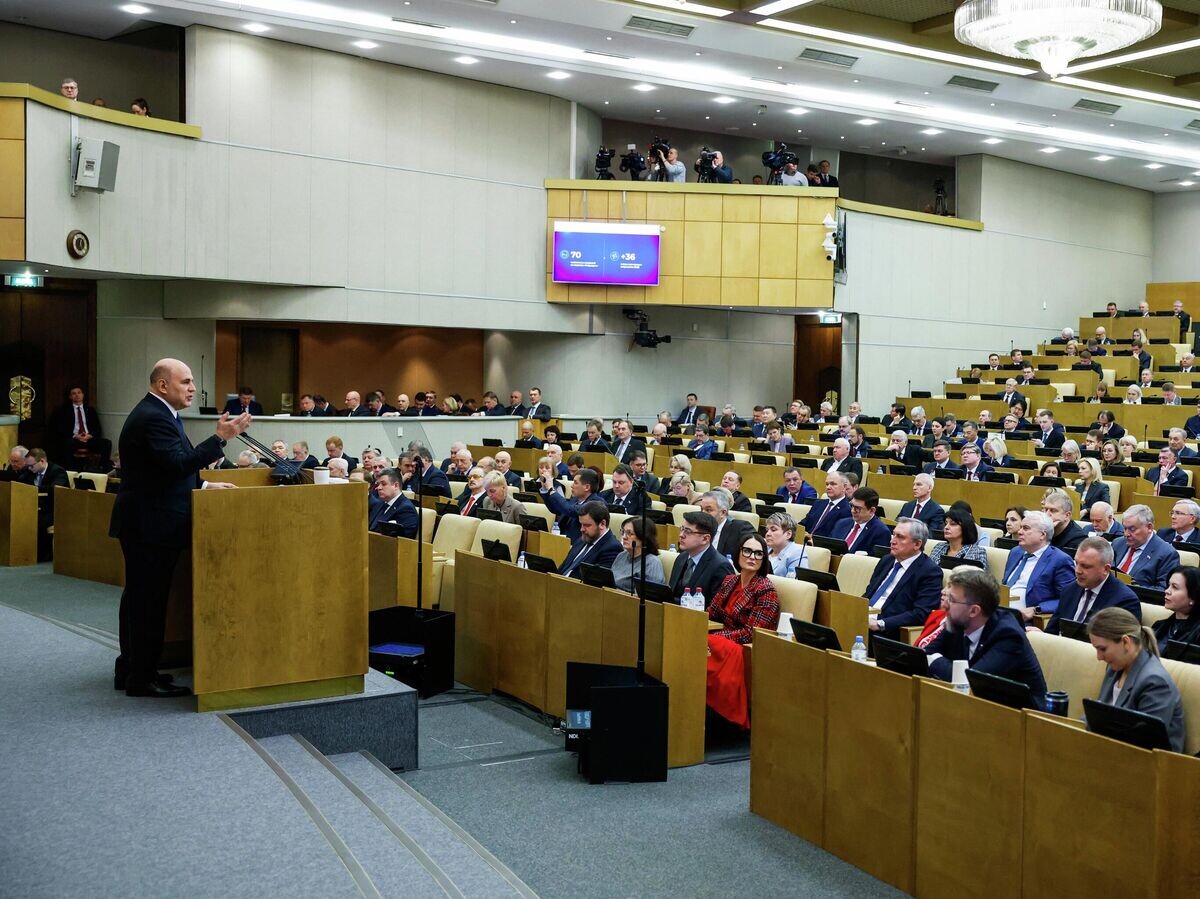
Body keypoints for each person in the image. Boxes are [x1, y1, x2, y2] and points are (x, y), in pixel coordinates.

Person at [110, 359, 249, 697]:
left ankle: (133, 668)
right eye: (186, 381)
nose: (192, 388)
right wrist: (219, 439)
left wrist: (203, 487)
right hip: (151, 524)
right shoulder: (153, 418)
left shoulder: (159, 414)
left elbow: (162, 473)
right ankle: (141, 678)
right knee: (148, 602)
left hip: (149, 519)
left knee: (140, 599)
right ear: (162, 385)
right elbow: (175, 465)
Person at [922, 567, 1047, 708]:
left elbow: (970, 681)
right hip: (979, 705)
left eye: (951, 600)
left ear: (974, 610)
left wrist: (935, 660)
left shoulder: (1008, 636)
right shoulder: (957, 621)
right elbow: (925, 653)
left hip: (1023, 718)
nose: (944, 604)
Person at [1088, 608, 1186, 753]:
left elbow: (1145, 745)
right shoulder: (1114, 669)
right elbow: (1099, 718)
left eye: (1102, 649)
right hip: (1114, 754)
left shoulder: (1155, 682)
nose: (1099, 657)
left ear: (1126, 642)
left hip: (1152, 768)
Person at [864, 518, 943, 639]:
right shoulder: (886, 560)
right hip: (863, 619)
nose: (892, 541)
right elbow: (869, 593)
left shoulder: (930, 572)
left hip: (887, 631)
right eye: (893, 534)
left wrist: (880, 624)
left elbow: (920, 613)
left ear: (917, 544)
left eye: (900, 537)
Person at [707, 531, 780, 644]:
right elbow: (711, 613)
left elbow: (751, 634)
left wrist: (714, 637)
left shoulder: (766, 590)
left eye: (758, 553)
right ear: (738, 553)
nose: (752, 557)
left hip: (741, 647)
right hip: (718, 639)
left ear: (764, 558)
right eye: (747, 551)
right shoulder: (730, 581)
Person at [1003, 511, 1075, 621]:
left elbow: (1068, 600)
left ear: (1042, 534)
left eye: (1026, 528)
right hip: (1001, 611)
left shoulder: (1060, 560)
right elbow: (1006, 585)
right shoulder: (1015, 552)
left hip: (1025, 620)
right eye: (1021, 527)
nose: (1020, 531)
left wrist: (1036, 609)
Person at [669, 510, 735, 604]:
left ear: (705, 539)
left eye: (688, 531)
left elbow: (715, 609)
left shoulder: (721, 567)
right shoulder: (681, 558)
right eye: (682, 529)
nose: (681, 535)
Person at [1111, 504, 1177, 589]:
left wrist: (1135, 588)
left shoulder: (1167, 554)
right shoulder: (1118, 543)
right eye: (1125, 528)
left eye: (1132, 529)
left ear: (1149, 527)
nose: (1126, 534)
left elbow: (1163, 589)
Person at [557, 501, 621, 578]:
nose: (582, 529)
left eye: (587, 525)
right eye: (581, 524)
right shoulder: (582, 539)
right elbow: (563, 568)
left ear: (602, 524)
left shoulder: (612, 548)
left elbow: (595, 583)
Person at [48, 385, 109, 466]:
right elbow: (61, 429)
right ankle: (72, 470)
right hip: (74, 439)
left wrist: (90, 435)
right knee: (66, 444)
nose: (77, 395)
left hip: (88, 438)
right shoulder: (63, 411)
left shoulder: (90, 410)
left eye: (79, 393)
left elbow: (97, 428)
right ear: (70, 397)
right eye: (74, 393)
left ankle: (102, 468)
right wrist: (75, 436)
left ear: (83, 395)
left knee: (107, 443)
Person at [541, 468, 602, 542]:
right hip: (562, 540)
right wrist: (546, 489)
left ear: (587, 487)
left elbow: (569, 510)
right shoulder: (575, 499)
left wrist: (551, 489)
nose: (572, 486)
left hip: (579, 544)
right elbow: (557, 509)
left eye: (575, 483)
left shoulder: (596, 503)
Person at [830, 486, 891, 555]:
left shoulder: (881, 532)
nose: (853, 511)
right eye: (852, 506)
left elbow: (877, 561)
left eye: (857, 508)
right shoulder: (841, 524)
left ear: (871, 510)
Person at [611, 517, 666, 592]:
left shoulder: (652, 563)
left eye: (629, 533)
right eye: (623, 532)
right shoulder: (621, 556)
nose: (624, 537)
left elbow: (648, 598)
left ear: (643, 537)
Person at [698, 490, 755, 560]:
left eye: (708, 510)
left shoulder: (740, 529)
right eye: (701, 509)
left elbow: (754, 554)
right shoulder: (696, 527)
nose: (703, 514)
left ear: (723, 513)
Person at [1155, 566, 1200, 647]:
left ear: (1193, 596)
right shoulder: (1158, 626)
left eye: (1175, 587)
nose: (1167, 591)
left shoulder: (1197, 635)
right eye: (1168, 585)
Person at [800, 471, 852, 539]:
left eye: (833, 484)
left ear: (844, 487)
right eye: (827, 484)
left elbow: (834, 537)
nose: (828, 487)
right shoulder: (818, 504)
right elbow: (804, 523)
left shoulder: (847, 510)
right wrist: (800, 532)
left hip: (821, 546)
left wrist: (812, 538)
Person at [369, 469, 419, 536]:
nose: (379, 488)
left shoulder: (406, 509)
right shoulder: (379, 503)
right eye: (378, 484)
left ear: (396, 486)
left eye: (383, 484)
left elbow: (404, 539)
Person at [763, 511, 806, 577]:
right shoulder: (764, 548)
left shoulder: (797, 554)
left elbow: (794, 584)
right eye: (767, 530)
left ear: (788, 534)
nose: (767, 534)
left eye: (773, 530)